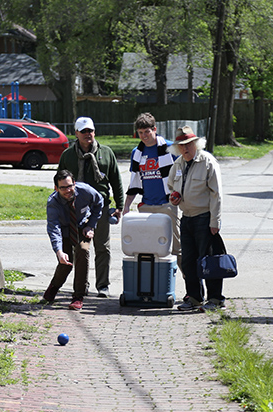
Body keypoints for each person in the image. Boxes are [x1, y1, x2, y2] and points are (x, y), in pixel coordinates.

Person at [57, 117, 124, 298]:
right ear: (76, 133)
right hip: (76, 209)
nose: (88, 134)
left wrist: (120, 206)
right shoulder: (68, 155)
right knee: (79, 249)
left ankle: (103, 286)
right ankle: (82, 285)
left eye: (91, 131)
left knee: (102, 247)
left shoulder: (106, 153)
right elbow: (59, 182)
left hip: (100, 207)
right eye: (84, 131)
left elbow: (116, 180)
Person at [167, 126, 225, 312]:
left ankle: (215, 299)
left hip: (204, 218)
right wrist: (174, 197)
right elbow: (171, 187)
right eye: (182, 145)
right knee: (188, 261)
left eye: (189, 144)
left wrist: (215, 222)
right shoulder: (178, 164)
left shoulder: (208, 162)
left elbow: (217, 194)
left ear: (196, 144)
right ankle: (194, 298)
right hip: (186, 218)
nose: (186, 149)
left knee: (209, 260)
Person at [123, 113, 180, 267]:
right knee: (149, 249)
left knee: (176, 249)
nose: (144, 136)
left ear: (154, 129)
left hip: (167, 205)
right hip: (147, 206)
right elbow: (134, 181)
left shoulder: (170, 148)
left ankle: (193, 288)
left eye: (147, 132)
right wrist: (127, 205)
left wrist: (178, 196)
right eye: (140, 133)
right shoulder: (137, 153)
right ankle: (153, 287)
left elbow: (182, 175)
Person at [42, 169, 104, 311]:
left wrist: (90, 225)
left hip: (82, 226)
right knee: (66, 262)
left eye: (70, 186)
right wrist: (59, 251)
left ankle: (78, 296)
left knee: (82, 252)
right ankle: (54, 287)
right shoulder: (53, 202)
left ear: (74, 184)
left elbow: (99, 202)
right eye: (63, 188)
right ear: (56, 188)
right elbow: (53, 228)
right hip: (64, 231)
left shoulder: (86, 191)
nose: (68, 190)